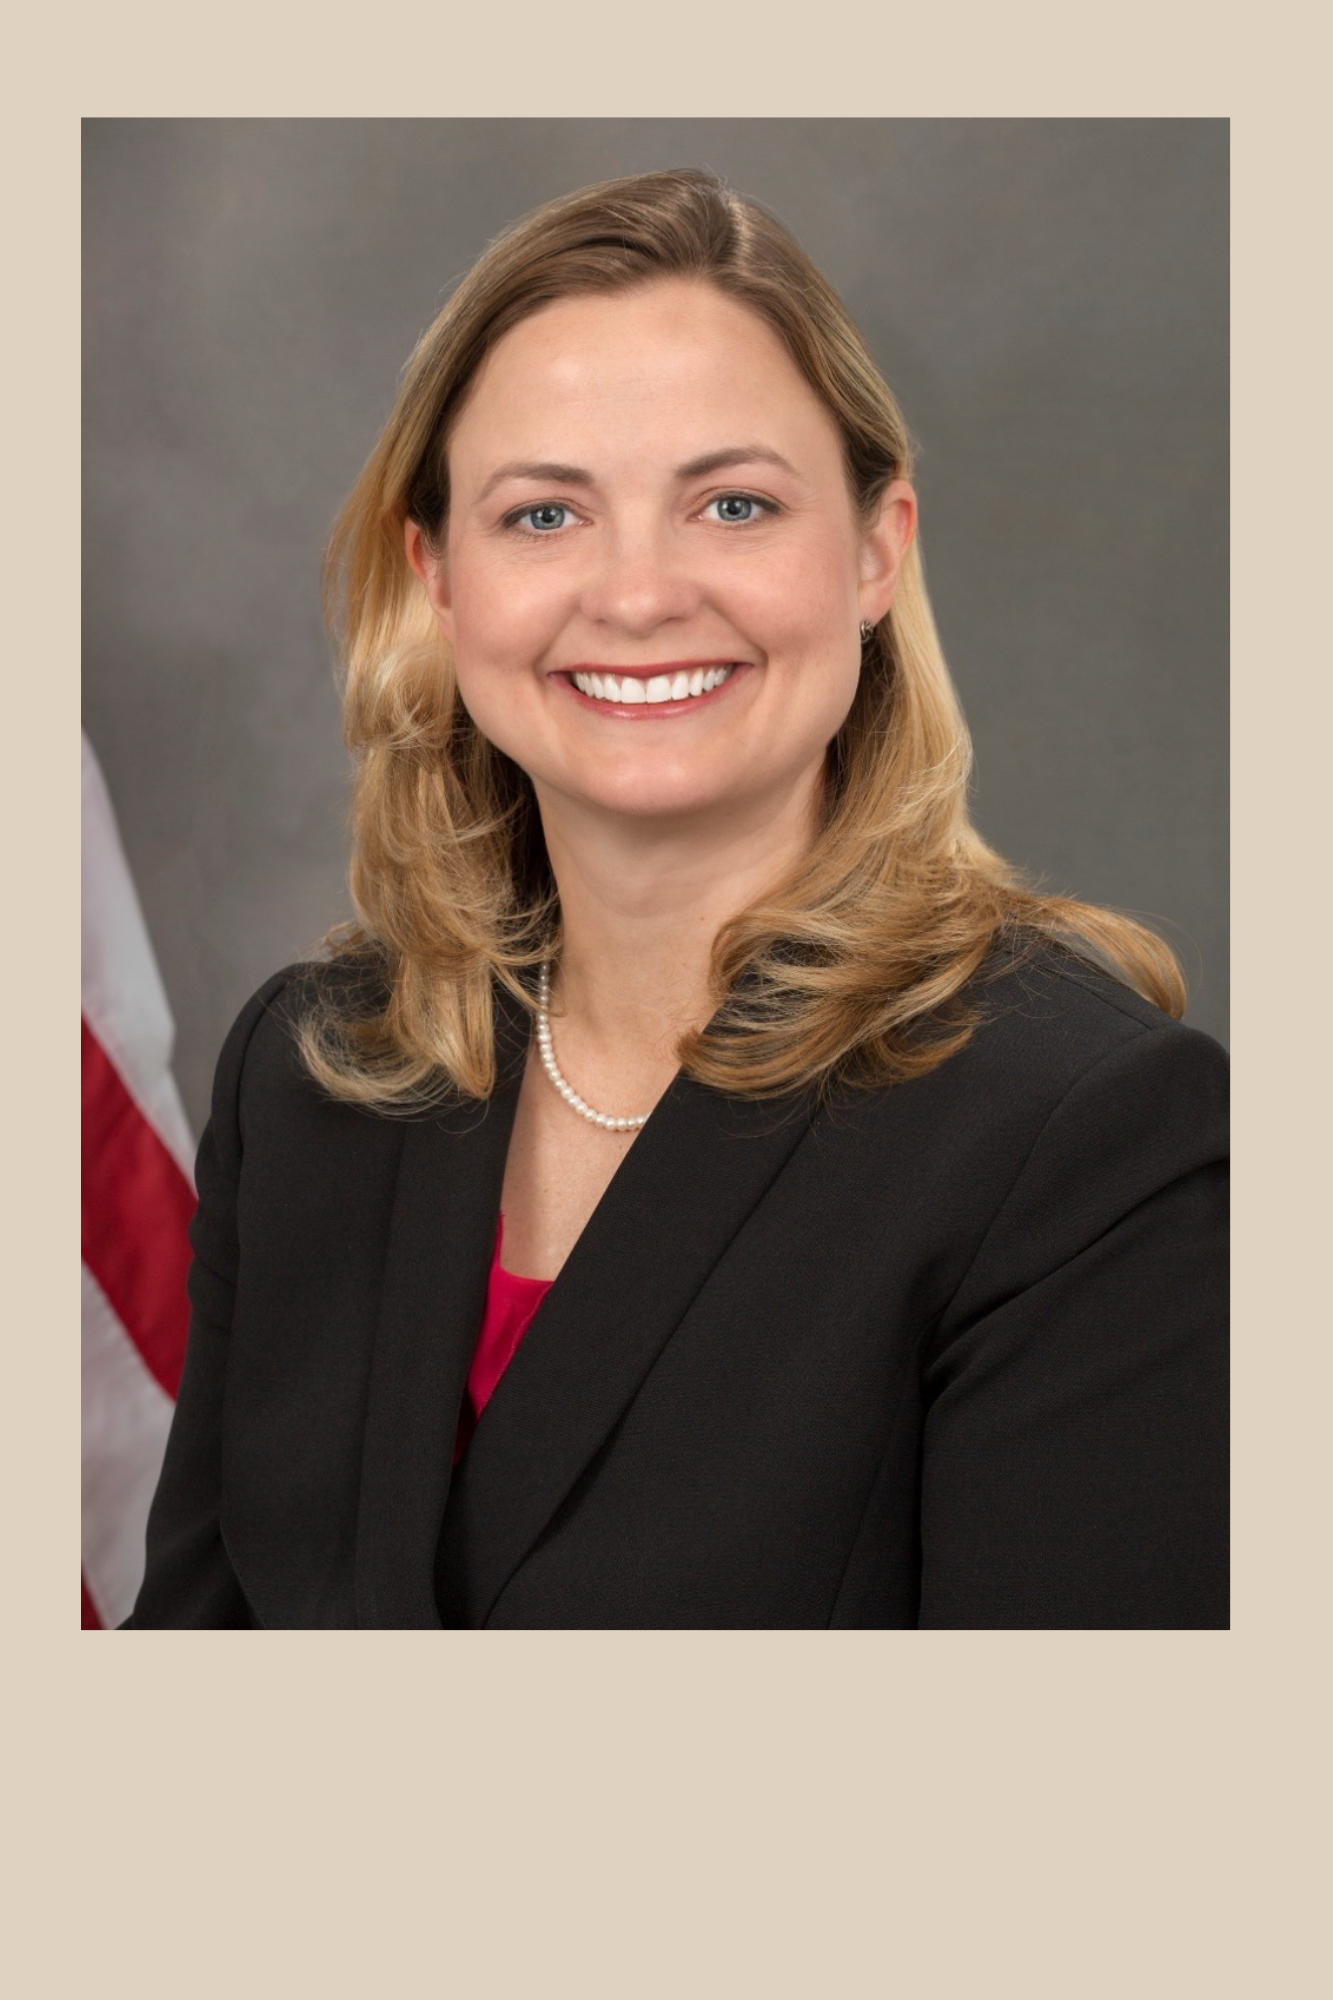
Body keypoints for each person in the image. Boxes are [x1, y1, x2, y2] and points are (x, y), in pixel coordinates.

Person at [126, 168, 1227, 1630]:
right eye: (542, 517)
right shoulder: (317, 1073)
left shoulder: (1084, 1137)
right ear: (437, 576)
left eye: (732, 503)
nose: (638, 595)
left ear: (876, 551)